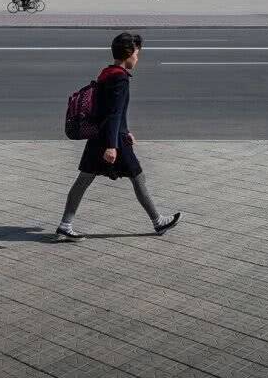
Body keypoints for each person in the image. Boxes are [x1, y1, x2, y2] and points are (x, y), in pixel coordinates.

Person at [56, 32, 180, 241]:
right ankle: (158, 222)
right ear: (129, 53)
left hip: (101, 136)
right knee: (138, 177)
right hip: (113, 140)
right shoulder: (120, 79)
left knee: (83, 180)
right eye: (137, 54)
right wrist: (112, 145)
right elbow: (113, 113)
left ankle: (65, 225)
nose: (137, 59)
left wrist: (126, 129)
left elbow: (113, 111)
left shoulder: (107, 73)